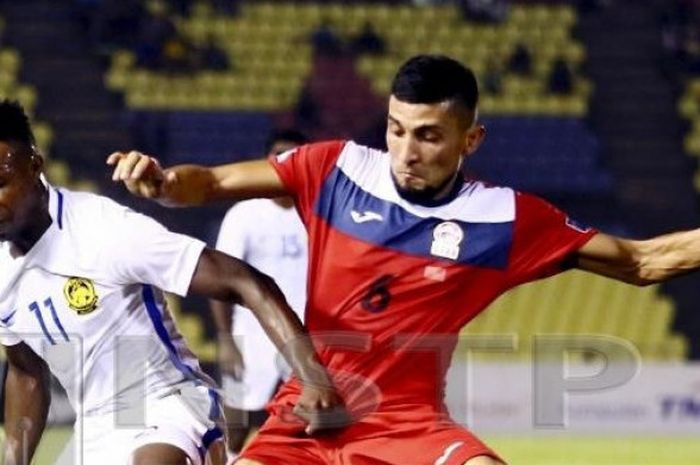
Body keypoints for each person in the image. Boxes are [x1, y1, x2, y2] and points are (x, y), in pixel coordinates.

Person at [108, 54, 700, 465]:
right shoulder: (336, 168)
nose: (404, 152)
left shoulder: (505, 219)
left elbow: (642, 261)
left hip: (406, 424)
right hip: (309, 409)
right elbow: (209, 182)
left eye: (427, 135)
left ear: (471, 140)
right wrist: (162, 181)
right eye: (395, 129)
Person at [0, 100, 345, 465]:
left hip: (170, 404)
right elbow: (26, 373)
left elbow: (245, 280)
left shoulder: (103, 229)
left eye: (1, 183)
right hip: (94, 427)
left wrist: (314, 378)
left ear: (35, 165)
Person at [210, 129, 309, 457]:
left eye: (293, 156)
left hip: (305, 338)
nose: (285, 162)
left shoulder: (316, 214)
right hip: (249, 336)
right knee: (235, 427)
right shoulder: (244, 215)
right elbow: (220, 280)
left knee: (303, 425)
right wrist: (226, 339)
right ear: (267, 162)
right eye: (278, 156)